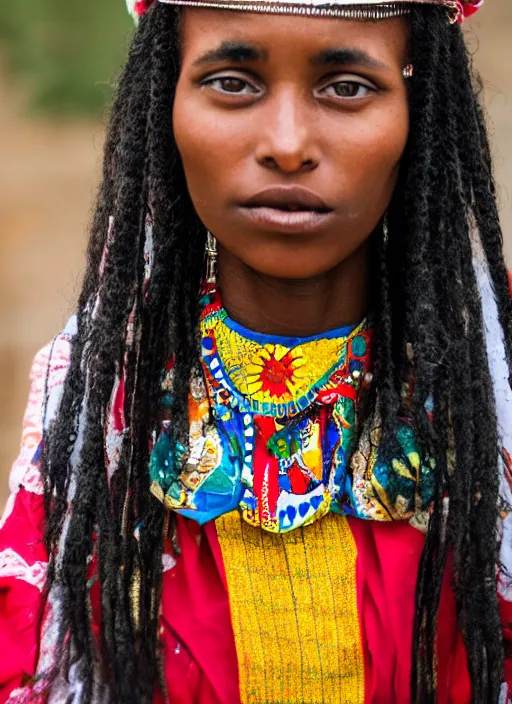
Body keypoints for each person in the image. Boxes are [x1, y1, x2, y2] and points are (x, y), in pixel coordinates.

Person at [1, 0, 511, 701]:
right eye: (234, 81)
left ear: (419, 107)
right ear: (167, 99)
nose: (288, 143)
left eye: (348, 87)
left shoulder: (494, 391)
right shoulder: (99, 401)